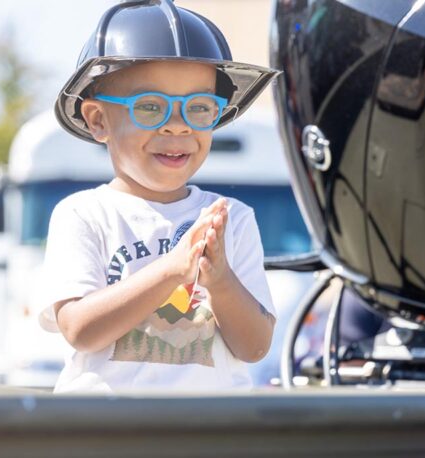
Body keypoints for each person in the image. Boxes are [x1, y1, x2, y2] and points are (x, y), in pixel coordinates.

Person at [38, 0, 280, 393]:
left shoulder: (231, 217)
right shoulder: (83, 214)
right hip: (105, 435)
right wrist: (172, 270)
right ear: (99, 120)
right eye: (150, 107)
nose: (178, 126)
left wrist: (219, 281)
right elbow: (80, 330)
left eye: (200, 107)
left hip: (205, 436)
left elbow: (254, 348)